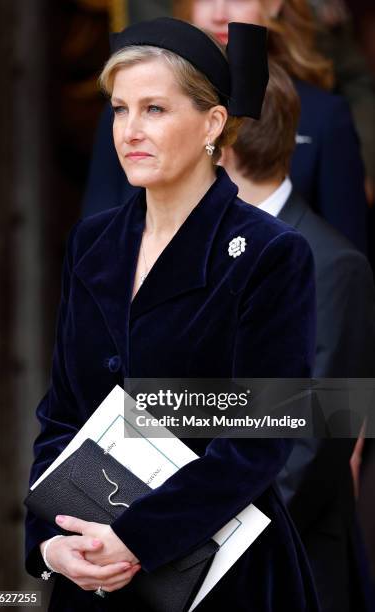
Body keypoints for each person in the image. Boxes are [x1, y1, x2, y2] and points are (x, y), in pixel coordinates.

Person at [25, 17, 319, 612]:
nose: (130, 130)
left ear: (213, 124)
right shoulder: (93, 242)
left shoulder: (270, 254)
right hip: (91, 568)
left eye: (155, 109)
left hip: (221, 577)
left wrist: (136, 537)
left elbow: (257, 443)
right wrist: (50, 540)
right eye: (120, 110)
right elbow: (61, 415)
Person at [221, 60, 375, 612]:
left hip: (286, 574)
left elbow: (311, 449)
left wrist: (198, 544)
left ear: (221, 146)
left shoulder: (335, 266)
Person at [82, 0, 368, 254]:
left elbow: (344, 254)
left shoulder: (324, 115)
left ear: (274, 5)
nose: (220, 13)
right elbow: (97, 235)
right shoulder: (130, 112)